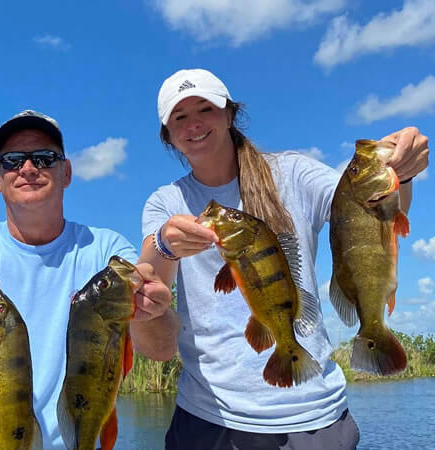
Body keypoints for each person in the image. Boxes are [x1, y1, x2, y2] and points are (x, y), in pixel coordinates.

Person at [140, 68, 429, 450]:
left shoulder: (294, 173)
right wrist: (163, 244)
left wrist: (399, 174)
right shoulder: (165, 203)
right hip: (210, 420)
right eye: (180, 117)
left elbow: (368, 213)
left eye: (205, 109)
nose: (194, 124)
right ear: (168, 135)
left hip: (315, 418)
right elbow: (147, 286)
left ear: (229, 114)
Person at [0, 109, 180, 449]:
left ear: (67, 172)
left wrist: (153, 310)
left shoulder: (108, 251)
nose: (28, 169)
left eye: (45, 158)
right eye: (12, 160)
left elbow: (162, 349)